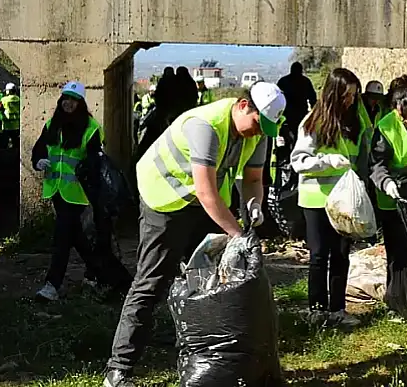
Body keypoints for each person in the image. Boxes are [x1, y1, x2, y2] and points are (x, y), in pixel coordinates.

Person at [103, 82, 286, 387]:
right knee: (151, 282)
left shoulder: (260, 134)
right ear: (243, 106)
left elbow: (253, 178)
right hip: (165, 197)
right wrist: (237, 234)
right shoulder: (206, 126)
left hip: (206, 203)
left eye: (265, 128)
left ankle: (203, 348)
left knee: (211, 278)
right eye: (256, 124)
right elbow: (205, 190)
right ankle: (118, 369)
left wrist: (255, 205)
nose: (258, 132)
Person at [31, 81, 132, 302]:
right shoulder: (52, 124)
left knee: (61, 238)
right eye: (65, 99)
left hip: (78, 193)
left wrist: (86, 174)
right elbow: (39, 149)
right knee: (76, 238)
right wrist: (39, 161)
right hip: (56, 190)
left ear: (81, 103)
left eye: (73, 100)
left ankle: (52, 285)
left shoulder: (91, 128)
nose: (68, 104)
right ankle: (108, 276)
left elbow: (95, 162)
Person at [290, 67, 372, 328]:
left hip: (343, 201)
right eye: (346, 95)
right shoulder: (312, 122)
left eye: (354, 96)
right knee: (318, 255)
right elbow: (298, 161)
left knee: (340, 254)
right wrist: (327, 161)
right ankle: (316, 309)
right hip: (316, 199)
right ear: (334, 94)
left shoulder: (354, 122)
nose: (350, 100)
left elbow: (361, 156)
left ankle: (337, 309)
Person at [369, 83, 407, 287]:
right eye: (405, 117)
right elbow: (376, 164)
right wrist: (386, 182)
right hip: (393, 198)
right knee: (397, 251)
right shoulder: (386, 127)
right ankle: (398, 293)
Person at [0, 83, 20, 149]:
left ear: (8, 91)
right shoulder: (19, 99)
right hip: (16, 125)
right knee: (16, 144)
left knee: (4, 144)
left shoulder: (4, 100)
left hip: (6, 126)